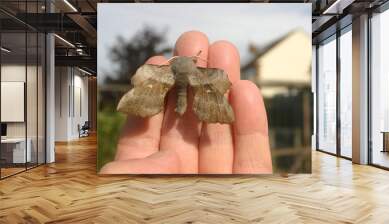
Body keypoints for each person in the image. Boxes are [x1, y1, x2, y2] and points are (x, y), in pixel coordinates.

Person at [100, 31, 272, 174]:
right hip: (197, 80)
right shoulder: (199, 72)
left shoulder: (165, 70)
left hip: (166, 79)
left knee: (146, 92)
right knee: (218, 101)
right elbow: (221, 79)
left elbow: (142, 76)